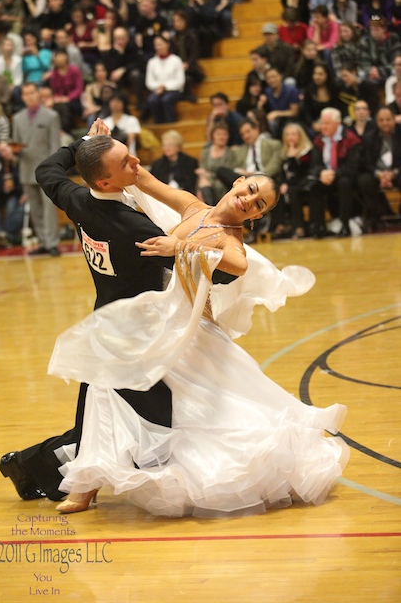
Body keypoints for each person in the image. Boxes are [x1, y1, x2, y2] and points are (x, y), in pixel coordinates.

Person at [46, 127, 349, 518]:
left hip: (186, 329)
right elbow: (139, 176)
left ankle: (95, 483)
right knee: (105, 387)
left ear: (257, 217)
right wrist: (97, 145)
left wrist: (181, 246)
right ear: (239, 181)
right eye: (251, 189)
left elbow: (237, 265)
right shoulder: (192, 206)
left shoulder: (230, 239)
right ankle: (87, 483)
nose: (249, 201)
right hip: (153, 316)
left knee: (198, 411)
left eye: (259, 205)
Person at [0, 118, 189, 501]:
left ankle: (28, 465)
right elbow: (203, 274)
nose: (136, 162)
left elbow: (45, 169)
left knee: (96, 422)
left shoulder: (78, 199)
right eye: (125, 163)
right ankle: (46, 470)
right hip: (134, 333)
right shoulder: (131, 225)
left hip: (106, 322)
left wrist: (86, 144)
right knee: (148, 416)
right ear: (105, 181)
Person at [11, 82, 61, 256]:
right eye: (25, 94)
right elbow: (15, 144)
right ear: (22, 97)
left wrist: (55, 170)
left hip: (46, 170)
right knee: (35, 209)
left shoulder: (51, 116)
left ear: (38, 94)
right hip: (26, 167)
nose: (29, 96)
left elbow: (55, 146)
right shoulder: (17, 118)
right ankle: (43, 242)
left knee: (48, 209)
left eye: (32, 92)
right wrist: (14, 151)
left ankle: (52, 242)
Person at [307, 107, 362, 238]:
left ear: (337, 123)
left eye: (327, 123)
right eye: (322, 123)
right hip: (327, 177)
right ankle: (318, 227)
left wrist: (334, 173)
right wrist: (321, 173)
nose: (323, 126)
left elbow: (353, 166)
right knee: (314, 185)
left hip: (345, 176)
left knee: (344, 183)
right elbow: (314, 165)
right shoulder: (319, 140)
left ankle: (345, 225)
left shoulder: (351, 139)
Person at [358, 105, 401, 231]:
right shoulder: (369, 137)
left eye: (388, 119)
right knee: (364, 180)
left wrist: (394, 173)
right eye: (381, 120)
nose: (385, 123)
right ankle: (375, 217)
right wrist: (379, 174)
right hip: (377, 173)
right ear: (377, 122)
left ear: (394, 120)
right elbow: (366, 162)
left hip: (397, 171)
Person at [144, 34, 185, 124]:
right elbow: (149, 82)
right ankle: (158, 124)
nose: (158, 47)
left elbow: (180, 81)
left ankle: (170, 123)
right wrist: (159, 87)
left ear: (167, 44)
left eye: (160, 44)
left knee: (166, 100)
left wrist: (165, 87)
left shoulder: (176, 60)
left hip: (174, 90)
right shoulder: (152, 62)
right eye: (156, 45)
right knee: (152, 100)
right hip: (157, 90)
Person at [196, 121, 238, 204]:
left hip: (223, 185)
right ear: (213, 136)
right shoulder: (205, 152)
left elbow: (226, 174)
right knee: (203, 182)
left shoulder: (231, 153)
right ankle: (209, 209)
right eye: (218, 134)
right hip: (207, 183)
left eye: (224, 134)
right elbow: (201, 171)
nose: (222, 137)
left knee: (206, 182)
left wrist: (208, 174)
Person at [150, 129, 198, 194]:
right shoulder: (157, 164)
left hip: (184, 195)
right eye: (164, 145)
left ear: (178, 147)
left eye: (170, 145)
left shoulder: (190, 162)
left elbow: (191, 183)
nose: (166, 148)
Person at [102, 88, 141, 155]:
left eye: (118, 101)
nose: (115, 104)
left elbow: (130, 140)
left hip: (128, 155)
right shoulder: (104, 122)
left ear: (124, 103)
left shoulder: (132, 120)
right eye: (113, 101)